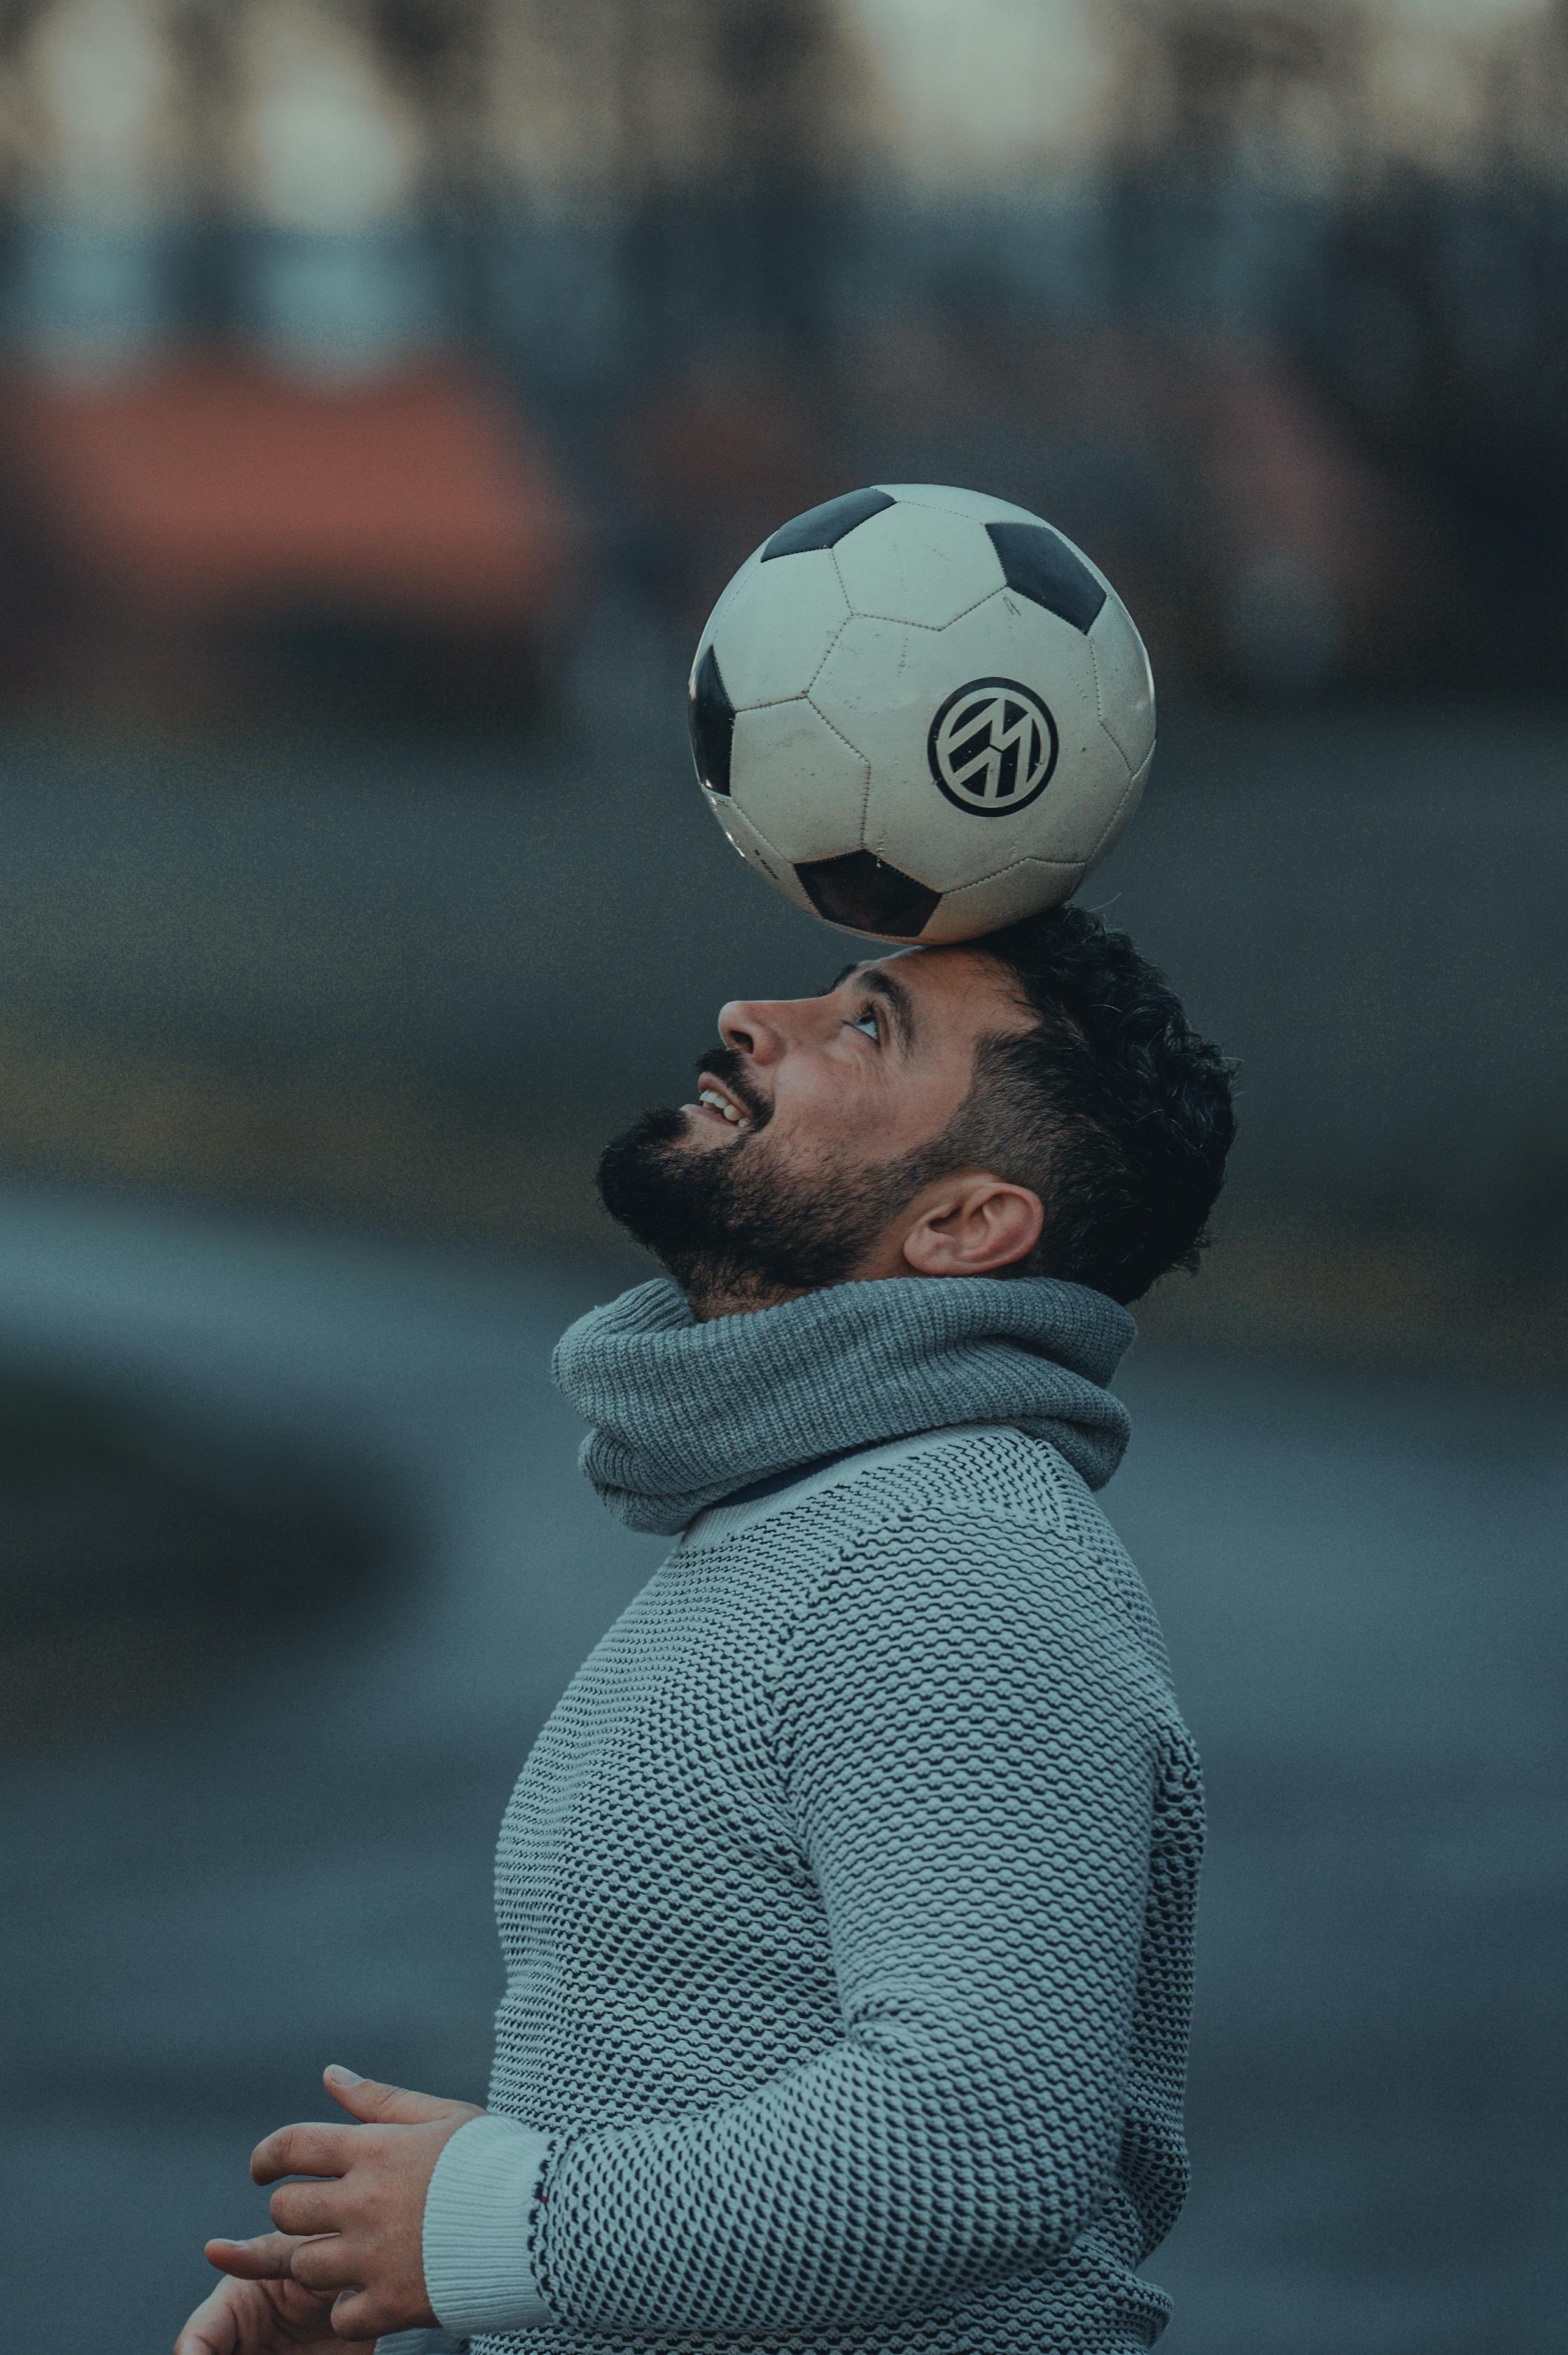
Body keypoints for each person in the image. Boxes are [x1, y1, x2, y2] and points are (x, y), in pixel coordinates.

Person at [174, 901, 1236, 2355]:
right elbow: (727, 2081)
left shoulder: (956, 1554)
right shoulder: (809, 1517)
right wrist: (428, 2253)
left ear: (963, 1223)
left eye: (865, 1025)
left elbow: (979, 2127)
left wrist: (497, 2215)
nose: (755, 1015)